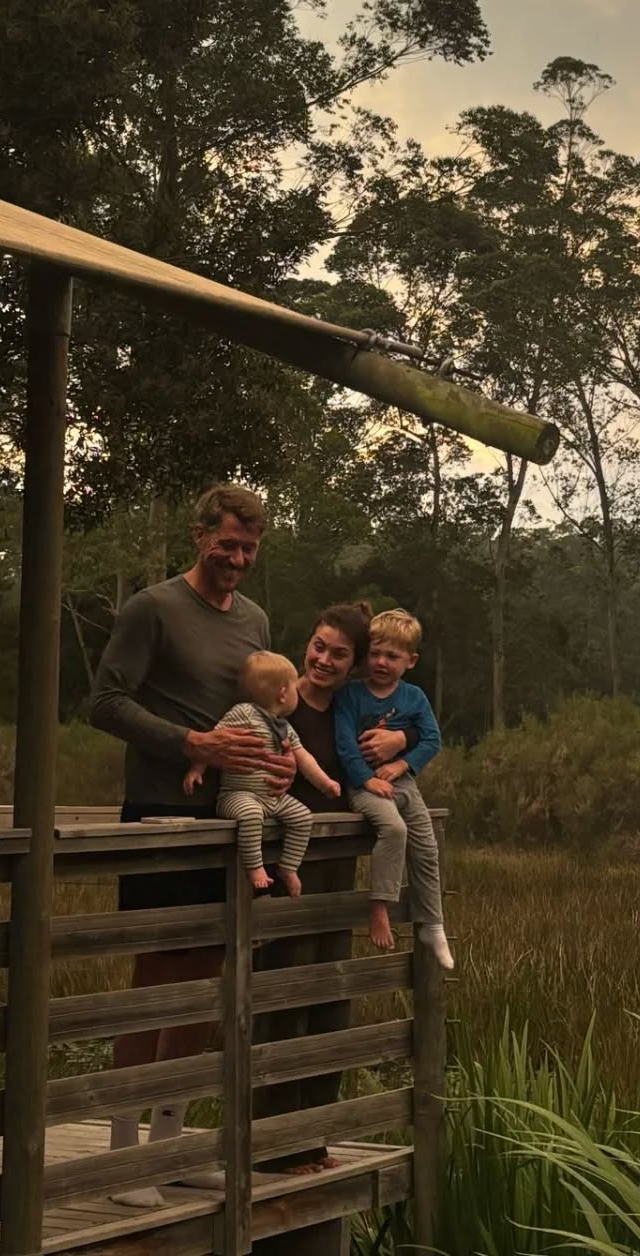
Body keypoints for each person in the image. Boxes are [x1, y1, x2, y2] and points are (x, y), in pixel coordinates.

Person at [88, 482, 293, 1206]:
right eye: (226, 544)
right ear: (200, 535)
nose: (236, 559)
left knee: (205, 984)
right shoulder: (153, 608)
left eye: (248, 548)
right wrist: (189, 743)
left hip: (230, 819)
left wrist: (280, 762)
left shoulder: (256, 620)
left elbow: (264, 709)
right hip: (159, 815)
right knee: (155, 980)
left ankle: (169, 1148)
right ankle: (123, 1157)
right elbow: (104, 703)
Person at [252, 603, 412, 1174]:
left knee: (330, 1005)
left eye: (339, 654)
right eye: (319, 646)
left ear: (354, 664)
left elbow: (403, 741)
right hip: (282, 875)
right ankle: (274, 1147)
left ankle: (312, 1139)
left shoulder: (350, 711)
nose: (323, 659)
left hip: (336, 876)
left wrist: (399, 742)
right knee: (282, 1004)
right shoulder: (278, 703)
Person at [334, 608, 454, 971]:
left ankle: (433, 924)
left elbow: (432, 740)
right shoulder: (351, 695)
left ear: (410, 661)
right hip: (363, 783)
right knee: (394, 829)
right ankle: (379, 906)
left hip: (402, 781)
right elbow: (344, 746)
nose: (382, 663)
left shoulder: (414, 697)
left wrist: (402, 765)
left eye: (392, 656)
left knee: (426, 846)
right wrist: (366, 779)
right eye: (375, 654)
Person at [185, 651, 341, 895]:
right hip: (238, 794)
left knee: (302, 817)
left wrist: (325, 784)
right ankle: (254, 867)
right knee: (251, 815)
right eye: (294, 689)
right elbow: (213, 741)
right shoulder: (243, 713)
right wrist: (197, 769)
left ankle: (288, 867)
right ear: (283, 693)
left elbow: (303, 757)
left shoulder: (283, 726)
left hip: (274, 797)